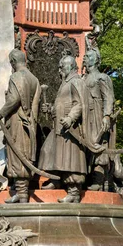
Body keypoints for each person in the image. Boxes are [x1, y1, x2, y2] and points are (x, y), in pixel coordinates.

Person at [0, 49, 42, 203]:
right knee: (24, 155)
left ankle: (22, 195)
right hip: (29, 124)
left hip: (17, 123)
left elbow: (14, 99)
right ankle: (20, 194)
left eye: (11, 63)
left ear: (13, 61)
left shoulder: (16, 77)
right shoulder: (34, 79)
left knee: (18, 155)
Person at [38, 55, 87, 203]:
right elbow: (62, 103)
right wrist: (51, 109)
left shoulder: (76, 81)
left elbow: (79, 104)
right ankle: (56, 180)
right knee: (48, 151)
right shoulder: (65, 83)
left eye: (62, 66)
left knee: (70, 159)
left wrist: (71, 118)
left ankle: (74, 192)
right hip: (59, 127)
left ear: (71, 66)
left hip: (70, 129)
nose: (60, 69)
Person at [82, 44, 115, 191]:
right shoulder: (82, 79)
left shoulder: (102, 77)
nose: (85, 58)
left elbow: (108, 97)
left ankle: (98, 179)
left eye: (88, 56)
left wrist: (106, 116)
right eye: (85, 56)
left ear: (96, 61)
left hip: (96, 114)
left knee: (98, 146)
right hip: (84, 115)